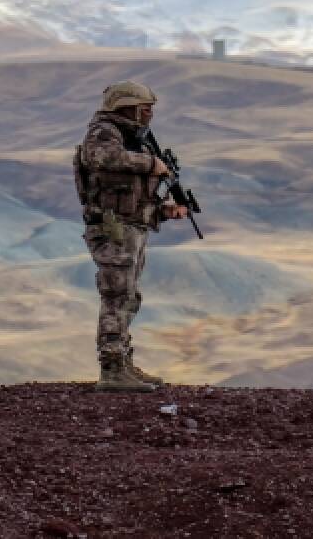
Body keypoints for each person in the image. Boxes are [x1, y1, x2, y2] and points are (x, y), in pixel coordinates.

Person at [74, 81, 190, 392]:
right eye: (144, 108)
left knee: (128, 296)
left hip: (129, 227)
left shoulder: (130, 137)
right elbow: (101, 157)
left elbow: (132, 195)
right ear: (125, 106)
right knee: (116, 295)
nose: (149, 113)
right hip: (113, 228)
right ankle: (112, 368)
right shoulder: (104, 132)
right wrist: (152, 164)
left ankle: (123, 362)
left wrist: (165, 211)